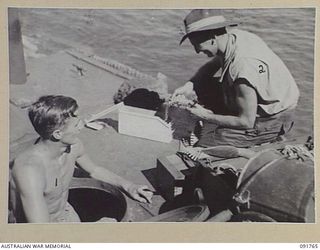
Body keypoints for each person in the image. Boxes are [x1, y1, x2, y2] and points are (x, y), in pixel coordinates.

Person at [9, 95, 153, 223]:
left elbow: (94, 170)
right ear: (58, 134)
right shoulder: (29, 170)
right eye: (77, 123)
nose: (83, 124)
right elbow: (41, 233)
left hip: (65, 213)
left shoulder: (73, 146)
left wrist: (129, 186)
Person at [173, 9, 300, 148]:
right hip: (267, 97)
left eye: (197, 44)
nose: (197, 51)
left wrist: (204, 116)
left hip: (274, 119)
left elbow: (246, 122)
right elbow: (214, 64)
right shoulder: (232, 37)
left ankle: (265, 140)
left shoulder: (243, 67)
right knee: (202, 85)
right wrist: (190, 84)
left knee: (206, 145)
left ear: (212, 37)